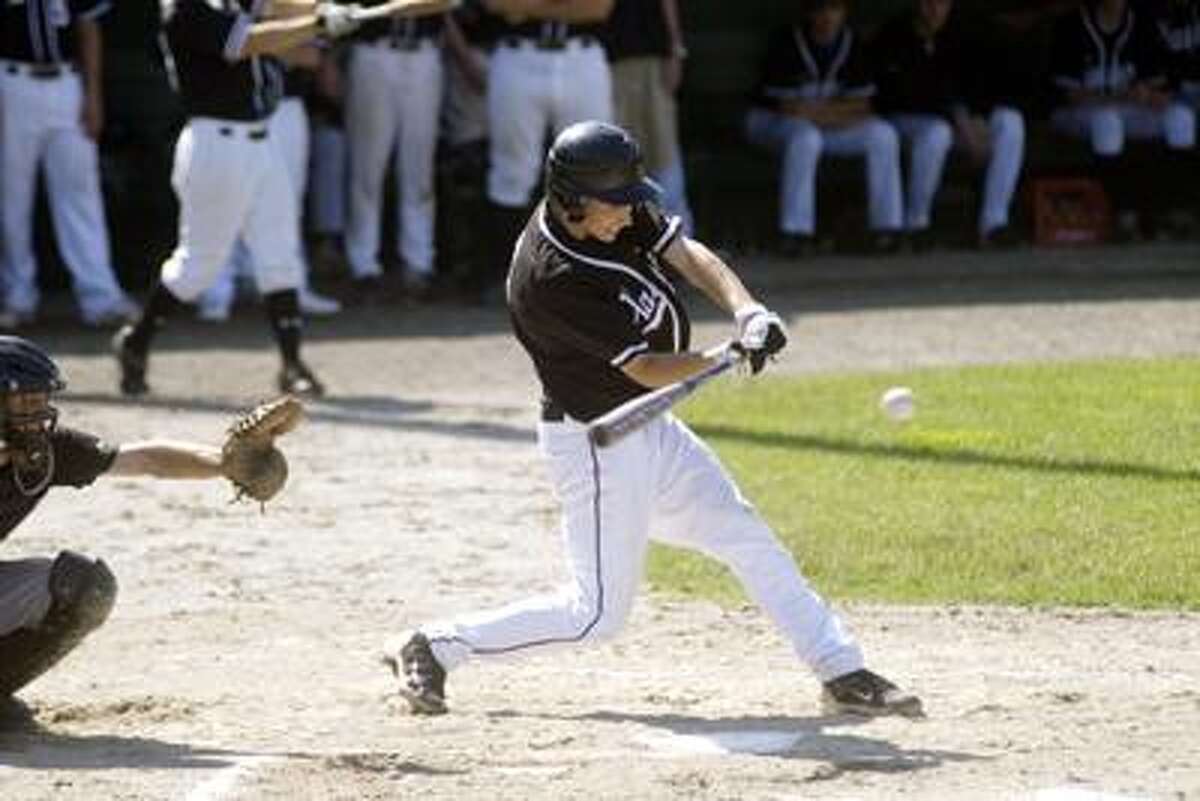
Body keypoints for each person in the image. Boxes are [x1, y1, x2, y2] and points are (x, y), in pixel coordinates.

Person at [381, 121, 923, 720]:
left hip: (648, 428)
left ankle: (841, 669)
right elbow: (644, 369)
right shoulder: (550, 279)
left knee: (744, 534)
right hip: (596, 443)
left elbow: (686, 254)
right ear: (570, 200)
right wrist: (722, 357)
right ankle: (432, 645)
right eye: (614, 206)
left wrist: (747, 311)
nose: (625, 215)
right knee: (595, 615)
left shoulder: (602, 204)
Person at [0, 336, 276, 711]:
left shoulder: (46, 452)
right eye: (25, 402)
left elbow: (146, 459)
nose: (38, 414)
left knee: (82, 586)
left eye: (41, 401)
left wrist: (224, 463)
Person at [111, 0, 366, 398]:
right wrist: (316, 22)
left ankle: (291, 363)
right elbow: (247, 41)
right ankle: (136, 342)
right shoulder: (186, 10)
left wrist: (325, 15)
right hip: (216, 143)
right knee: (199, 264)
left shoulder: (238, 3)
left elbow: (295, 35)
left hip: (263, 142)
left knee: (279, 254)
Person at [0, 0, 140, 328]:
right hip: (11, 82)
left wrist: (93, 94)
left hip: (66, 82)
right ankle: (17, 296)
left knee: (81, 195)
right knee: (11, 199)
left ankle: (100, 297)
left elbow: (88, 27)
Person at [467, 0, 615, 302]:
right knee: (512, 172)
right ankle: (510, 277)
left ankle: (591, 278)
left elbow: (598, 8)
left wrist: (528, 7)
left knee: (594, 171)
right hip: (518, 57)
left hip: (581, 57)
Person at [744, 0, 903, 256]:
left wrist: (822, 113)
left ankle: (887, 229)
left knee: (882, 135)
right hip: (770, 124)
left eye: (834, 9)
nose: (828, 17)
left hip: (824, 125)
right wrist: (835, 112)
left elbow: (864, 105)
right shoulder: (788, 41)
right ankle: (795, 232)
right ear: (809, 12)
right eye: (821, 9)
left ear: (844, 12)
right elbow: (788, 107)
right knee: (805, 138)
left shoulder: (852, 43)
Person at [873, 0, 1027, 250]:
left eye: (940, 3)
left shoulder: (964, 30)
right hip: (908, 121)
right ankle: (917, 225)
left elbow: (981, 82)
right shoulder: (896, 33)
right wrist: (959, 119)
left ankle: (993, 223)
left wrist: (977, 117)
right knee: (936, 133)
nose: (933, 9)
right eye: (927, 3)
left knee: (1010, 122)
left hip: (960, 122)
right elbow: (903, 95)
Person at [343, 3, 449, 301]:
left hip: (423, 53)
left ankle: (419, 262)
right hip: (375, 52)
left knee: (419, 168)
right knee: (367, 167)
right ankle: (363, 264)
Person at [603, 0, 694, 234]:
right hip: (598, 57)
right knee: (610, 156)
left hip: (650, 55)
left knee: (663, 152)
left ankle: (678, 242)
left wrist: (674, 49)